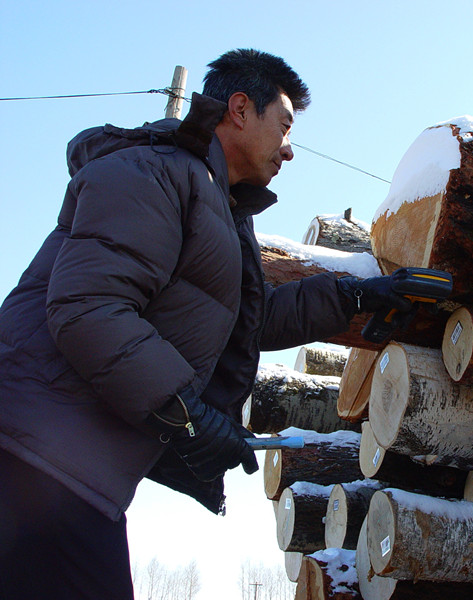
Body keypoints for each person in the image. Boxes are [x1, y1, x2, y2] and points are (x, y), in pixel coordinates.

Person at [0, 49, 412, 599]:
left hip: (67, 471)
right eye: (284, 126)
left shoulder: (218, 205)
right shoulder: (152, 171)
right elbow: (89, 310)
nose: (289, 149)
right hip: (31, 461)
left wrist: (355, 294)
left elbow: (249, 319)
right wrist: (187, 417)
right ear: (239, 109)